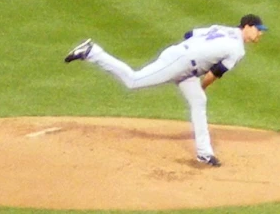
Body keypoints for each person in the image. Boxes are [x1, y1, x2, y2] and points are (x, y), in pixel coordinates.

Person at [62, 16, 268, 167]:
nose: (260, 33)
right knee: (134, 81)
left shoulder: (221, 28)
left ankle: (204, 153)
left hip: (183, 61)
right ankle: (93, 52)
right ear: (247, 27)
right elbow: (216, 73)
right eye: (258, 29)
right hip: (181, 64)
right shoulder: (237, 49)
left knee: (199, 102)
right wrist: (201, 83)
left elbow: (189, 35)